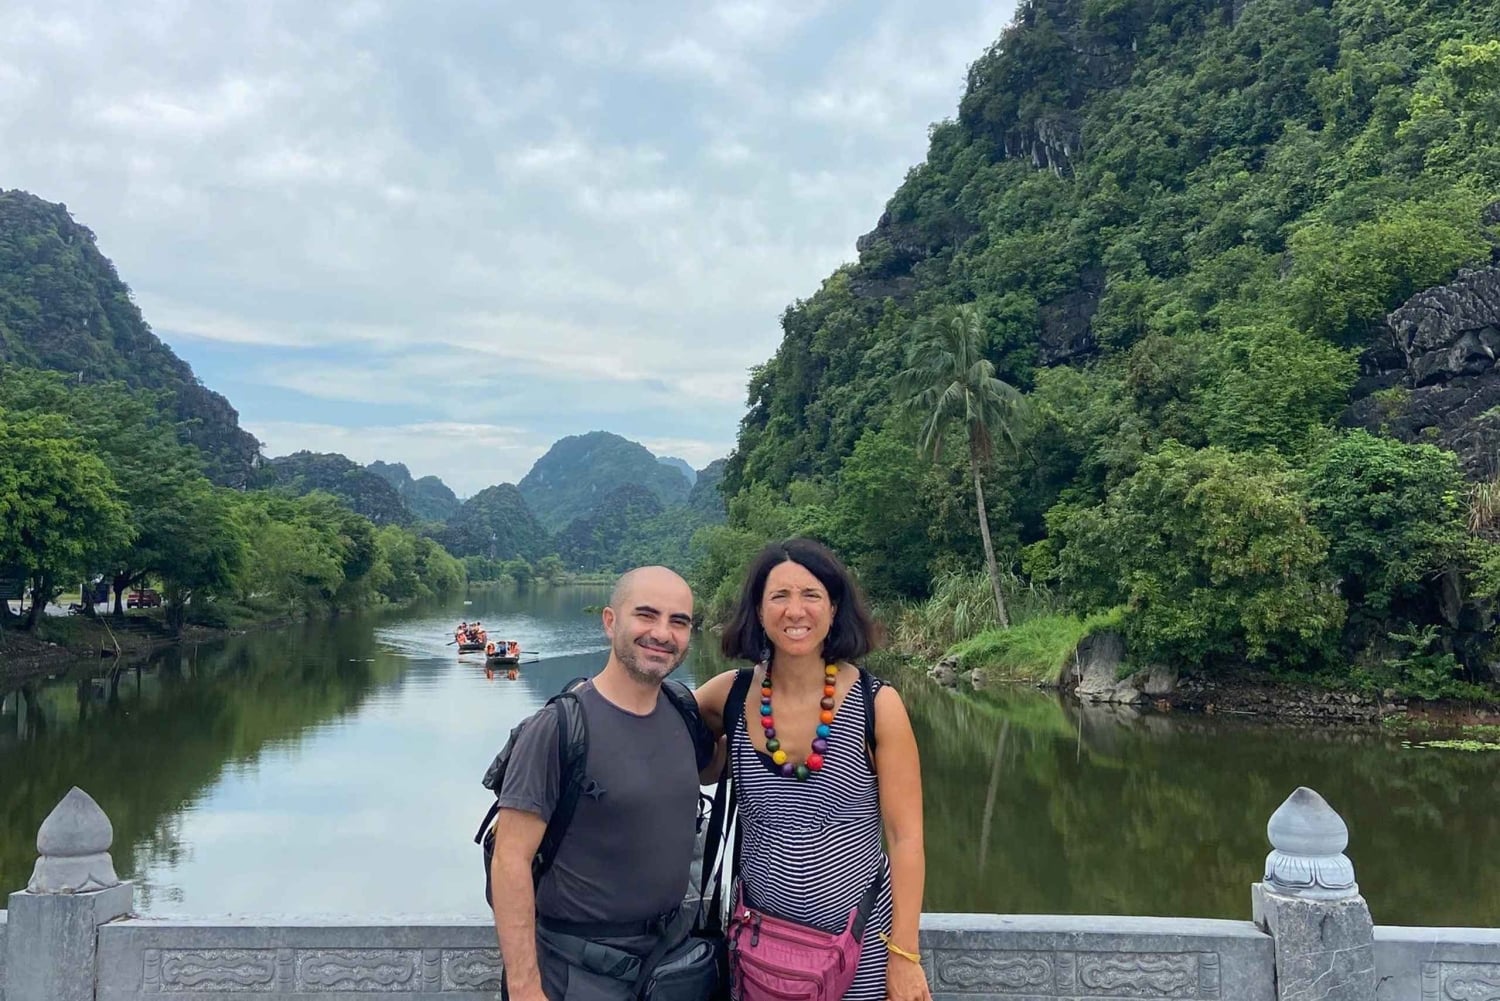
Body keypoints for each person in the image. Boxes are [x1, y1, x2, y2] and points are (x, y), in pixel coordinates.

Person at [693, 538, 932, 1001]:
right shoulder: (732, 695)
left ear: (833, 606)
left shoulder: (876, 704)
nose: (795, 611)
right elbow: (659, 722)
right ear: (759, 612)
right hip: (761, 950)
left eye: (811, 595)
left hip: (859, 947)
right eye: (779, 596)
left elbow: (907, 839)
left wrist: (904, 954)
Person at [489, 565, 715, 1001]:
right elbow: (510, 860)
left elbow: (731, 759)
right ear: (610, 622)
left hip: (669, 962)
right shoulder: (559, 728)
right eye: (646, 615)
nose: (662, 633)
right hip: (575, 971)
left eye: (679, 622)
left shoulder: (684, 713)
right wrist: (524, 988)